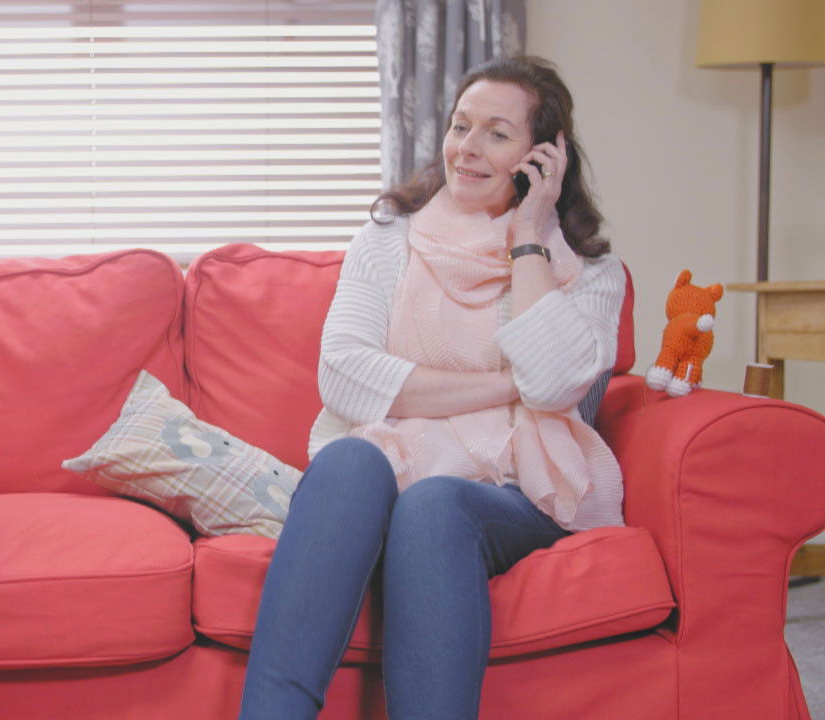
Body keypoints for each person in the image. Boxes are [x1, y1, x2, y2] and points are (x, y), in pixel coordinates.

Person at [238, 55, 625, 719]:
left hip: (520, 487)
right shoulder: (388, 239)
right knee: (349, 460)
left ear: (543, 159)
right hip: (392, 464)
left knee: (434, 504)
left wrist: (528, 239)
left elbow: (553, 386)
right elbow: (345, 376)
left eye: (496, 134)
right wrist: (505, 385)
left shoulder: (588, 272)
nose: (466, 148)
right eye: (460, 125)